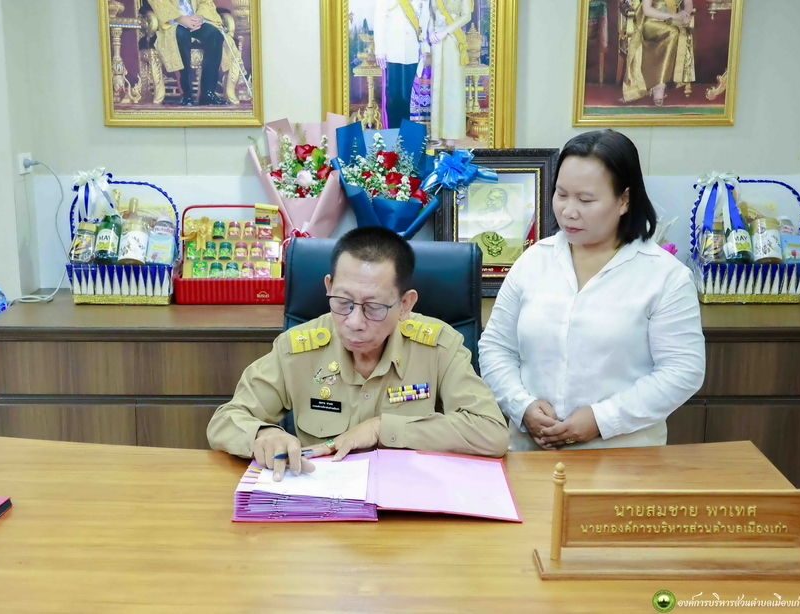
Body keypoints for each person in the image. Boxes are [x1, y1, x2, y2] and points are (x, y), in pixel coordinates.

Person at [207, 226, 509, 479]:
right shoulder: (297, 349)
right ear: (328, 286)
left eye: (374, 307)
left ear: (405, 304)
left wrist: (382, 429)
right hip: (323, 499)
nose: (354, 322)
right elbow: (227, 419)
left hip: (410, 495)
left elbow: (491, 432)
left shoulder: (438, 346)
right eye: (343, 302)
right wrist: (264, 435)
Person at [478, 130, 705, 451]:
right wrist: (521, 406)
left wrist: (602, 419)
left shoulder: (665, 276)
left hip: (623, 457)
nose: (569, 211)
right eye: (561, 194)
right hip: (531, 452)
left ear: (624, 200)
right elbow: (496, 347)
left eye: (586, 200)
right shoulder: (533, 261)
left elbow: (682, 371)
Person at [151, 0, 231, 106]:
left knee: (214, 34)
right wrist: (180, 18)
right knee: (180, 35)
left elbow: (205, 2)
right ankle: (186, 94)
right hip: (172, 25)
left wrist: (201, 16)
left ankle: (208, 93)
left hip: (197, 22)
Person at [621, 0, 696, 106]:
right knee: (673, 32)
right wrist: (673, 16)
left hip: (672, 22)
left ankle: (661, 83)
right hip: (651, 21)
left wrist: (685, 14)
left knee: (679, 33)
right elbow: (647, 10)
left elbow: (688, 3)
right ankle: (659, 85)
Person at [373, 0, 431, 128]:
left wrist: (424, 46)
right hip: (392, 50)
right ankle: (393, 132)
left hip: (413, 49)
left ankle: (405, 133)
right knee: (393, 94)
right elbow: (379, 20)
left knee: (409, 95)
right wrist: (380, 50)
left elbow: (424, 19)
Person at [428, 0, 472, 145]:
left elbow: (466, 16)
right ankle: (437, 134)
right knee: (437, 86)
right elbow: (431, 15)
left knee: (451, 88)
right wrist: (431, 31)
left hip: (453, 41)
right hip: (437, 42)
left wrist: (445, 32)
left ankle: (450, 134)